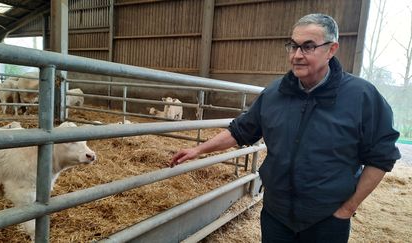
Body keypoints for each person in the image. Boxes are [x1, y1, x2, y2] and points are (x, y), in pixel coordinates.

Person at [170, 13, 401, 243]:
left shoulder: (361, 96)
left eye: (308, 47)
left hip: (326, 220)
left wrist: (348, 209)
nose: (297, 55)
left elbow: (381, 157)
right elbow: (240, 130)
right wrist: (199, 150)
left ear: (331, 49)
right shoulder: (275, 93)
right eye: (293, 46)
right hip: (276, 216)